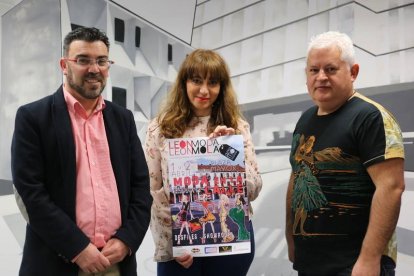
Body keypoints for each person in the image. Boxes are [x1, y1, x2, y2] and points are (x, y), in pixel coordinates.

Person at [11, 27, 152, 276]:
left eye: (101, 61)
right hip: (57, 261)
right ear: (64, 65)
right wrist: (77, 248)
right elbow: (30, 193)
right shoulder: (33, 117)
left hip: (115, 264)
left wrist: (127, 240)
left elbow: (141, 187)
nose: (94, 69)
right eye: (83, 60)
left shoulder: (123, 119)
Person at [285, 31, 405, 276]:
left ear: (353, 72)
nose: (321, 77)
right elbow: (296, 176)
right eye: (313, 70)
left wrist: (369, 259)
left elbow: (391, 187)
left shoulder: (371, 117)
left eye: (330, 69)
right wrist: (291, 237)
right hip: (312, 262)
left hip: (355, 265)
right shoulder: (305, 119)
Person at [144, 49, 262, 276]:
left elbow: (254, 188)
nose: (204, 90)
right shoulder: (159, 129)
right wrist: (174, 245)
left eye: (213, 82)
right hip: (181, 248)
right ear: (184, 83)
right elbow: (153, 193)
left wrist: (225, 155)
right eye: (197, 80)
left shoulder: (236, 127)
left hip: (230, 242)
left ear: (222, 86)